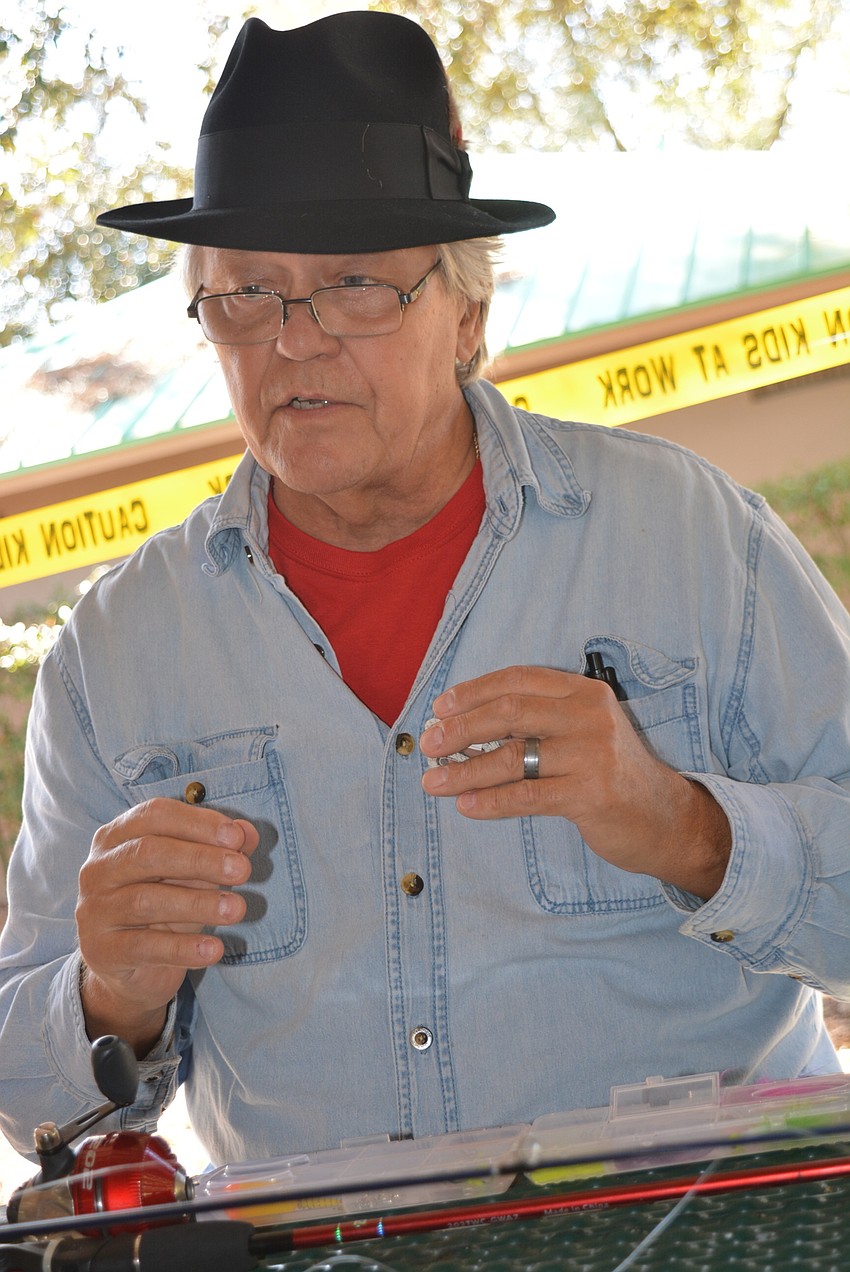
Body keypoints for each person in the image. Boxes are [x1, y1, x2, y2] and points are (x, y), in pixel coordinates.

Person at [1, 11, 848, 1171]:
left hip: (706, 1226)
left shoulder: (691, 537)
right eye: (244, 294)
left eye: (354, 285)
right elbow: (24, 1096)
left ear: (469, 317)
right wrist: (110, 998)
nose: (293, 344)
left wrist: (689, 829)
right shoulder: (117, 647)